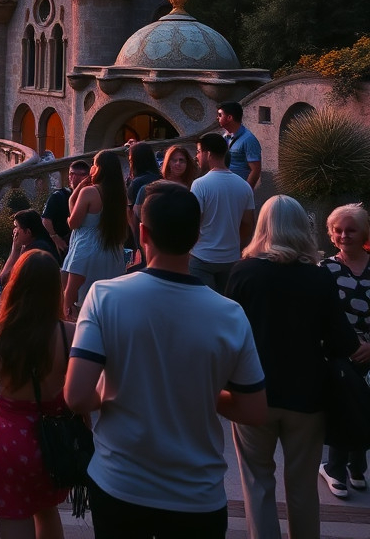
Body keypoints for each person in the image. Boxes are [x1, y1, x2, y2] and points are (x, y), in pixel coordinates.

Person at [65, 181, 267, 538]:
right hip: (197, 495)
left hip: (120, 484)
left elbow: (77, 396)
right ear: (197, 234)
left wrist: (116, 386)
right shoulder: (230, 314)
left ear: (143, 232)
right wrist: (201, 390)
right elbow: (253, 411)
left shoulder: (105, 296)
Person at [225, 195, 357, 538]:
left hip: (253, 392)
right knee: (302, 487)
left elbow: (227, 336)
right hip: (308, 396)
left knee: (257, 482)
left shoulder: (243, 273)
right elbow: (343, 342)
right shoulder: (319, 278)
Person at [0, 250, 73, 539]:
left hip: (6, 440)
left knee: (13, 515)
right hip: (50, 441)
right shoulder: (71, 333)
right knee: (47, 510)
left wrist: (3, 383)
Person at [319, 203, 370, 498]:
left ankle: (356, 464)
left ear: (363, 232)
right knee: (344, 405)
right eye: (337, 230)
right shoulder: (325, 269)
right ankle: (337, 467)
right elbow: (321, 316)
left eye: (350, 230)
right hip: (340, 353)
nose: (343, 235)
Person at [63, 150, 128, 318]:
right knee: (105, 305)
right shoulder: (120, 195)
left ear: (99, 168)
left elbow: (73, 223)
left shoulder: (90, 192)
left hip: (86, 249)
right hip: (112, 250)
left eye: (94, 164)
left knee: (70, 301)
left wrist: (75, 193)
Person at [190, 132, 256, 293]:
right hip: (231, 258)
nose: (197, 157)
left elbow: (193, 222)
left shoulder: (199, 185)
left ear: (208, 154)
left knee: (204, 308)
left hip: (201, 257)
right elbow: (248, 224)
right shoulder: (244, 186)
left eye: (199, 152)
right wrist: (232, 242)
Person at [0, 210, 59, 292]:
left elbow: (3, 280)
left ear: (28, 232)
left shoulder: (35, 251)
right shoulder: (40, 243)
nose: (14, 231)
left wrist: (15, 250)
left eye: (17, 227)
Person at [41, 161, 89, 262]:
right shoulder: (58, 196)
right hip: (60, 245)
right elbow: (46, 219)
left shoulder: (89, 195)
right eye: (82, 176)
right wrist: (55, 238)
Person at [218, 102, 262, 189]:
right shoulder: (224, 137)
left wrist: (246, 191)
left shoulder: (249, 139)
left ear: (229, 117)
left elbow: (255, 170)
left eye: (220, 115)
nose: (217, 118)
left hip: (238, 189)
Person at [125, 142, 160, 248]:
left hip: (142, 232)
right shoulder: (160, 178)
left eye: (131, 160)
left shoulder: (136, 183)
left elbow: (132, 214)